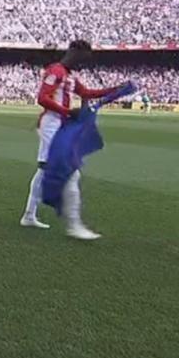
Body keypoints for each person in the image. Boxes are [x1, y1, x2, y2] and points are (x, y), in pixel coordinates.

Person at [20, 39, 119, 240]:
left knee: (43, 169)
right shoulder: (56, 71)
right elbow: (42, 98)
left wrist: (114, 90)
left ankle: (29, 216)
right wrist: (67, 111)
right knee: (71, 171)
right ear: (72, 52)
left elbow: (86, 93)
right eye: (82, 58)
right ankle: (74, 225)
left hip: (58, 123)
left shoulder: (68, 75)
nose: (82, 63)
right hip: (51, 124)